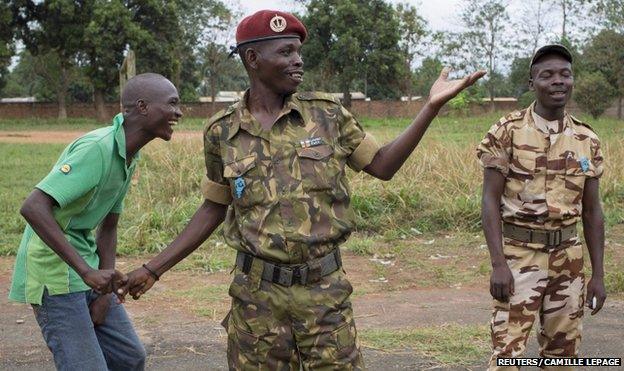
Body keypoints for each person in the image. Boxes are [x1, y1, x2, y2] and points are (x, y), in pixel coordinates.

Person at [119, 10, 485, 369]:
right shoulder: (222, 131)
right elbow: (213, 207)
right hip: (256, 301)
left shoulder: (327, 115)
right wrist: (153, 269)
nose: (298, 61)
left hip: (324, 296)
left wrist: (431, 107)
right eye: (286, 52)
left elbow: (383, 165)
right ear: (252, 58)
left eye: (298, 52)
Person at [8, 73, 183, 371]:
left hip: (87, 267)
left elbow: (109, 225)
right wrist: (87, 271)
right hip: (55, 274)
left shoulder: (129, 154)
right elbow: (34, 207)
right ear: (142, 107)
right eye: (172, 104)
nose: (179, 112)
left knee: (129, 358)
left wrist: (105, 289)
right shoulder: (97, 148)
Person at [477, 44, 606, 370]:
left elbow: (592, 212)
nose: (558, 81)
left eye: (565, 74)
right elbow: (489, 200)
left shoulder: (586, 139)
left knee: (563, 357)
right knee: (506, 356)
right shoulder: (507, 131)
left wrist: (598, 276)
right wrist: (498, 264)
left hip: (568, 259)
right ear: (532, 82)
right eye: (547, 75)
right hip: (520, 257)